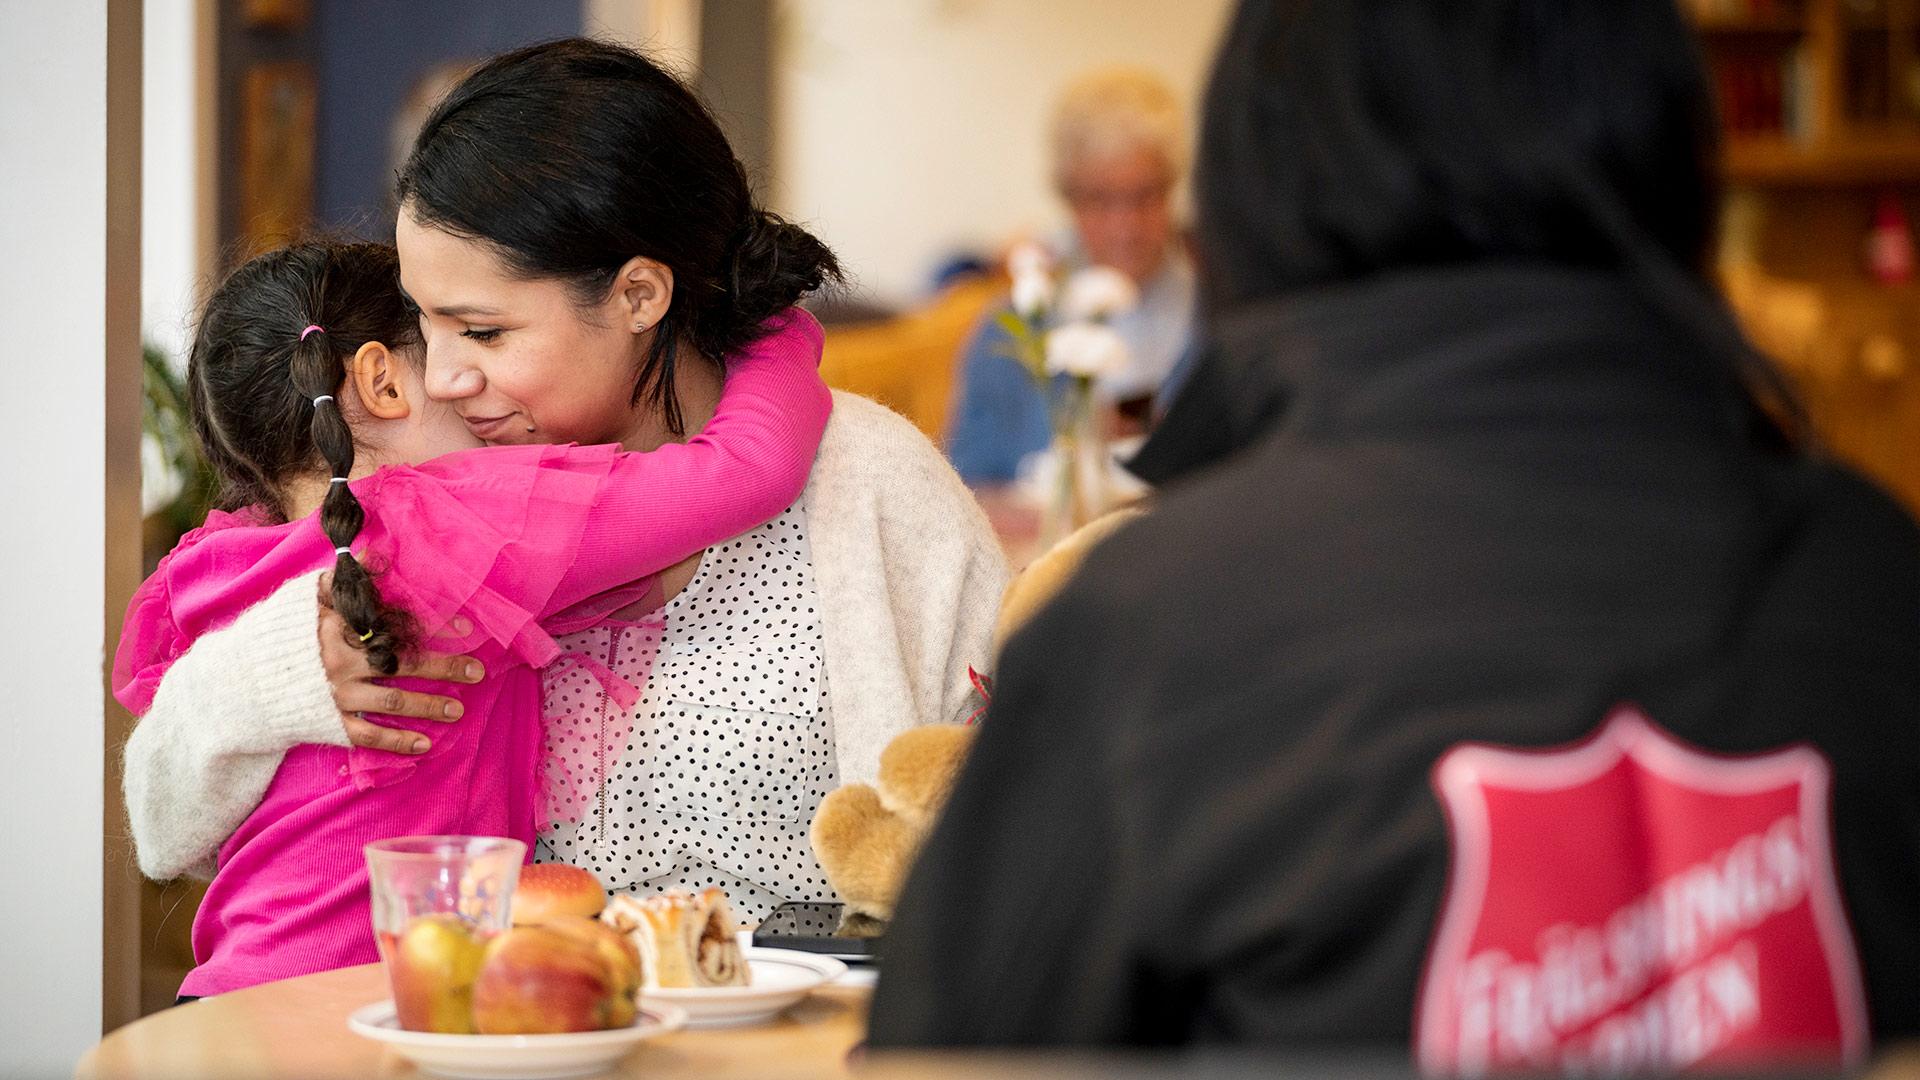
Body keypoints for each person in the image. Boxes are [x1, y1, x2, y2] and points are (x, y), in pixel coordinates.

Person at [869, 0, 1920, 1064]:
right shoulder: (1879, 575)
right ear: (1678, 151)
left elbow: (946, 1051)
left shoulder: (1149, 633)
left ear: (1252, 186)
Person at [121, 40, 1008, 941]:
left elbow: (1011, 836)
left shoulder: (869, 490)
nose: (445, 377)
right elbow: (165, 832)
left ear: (638, 296)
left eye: (483, 331)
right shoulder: (389, 485)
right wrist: (267, 675)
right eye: (423, 322)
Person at [115, 240, 830, 997]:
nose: (466, 381)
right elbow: (750, 467)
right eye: (447, 346)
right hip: (376, 1005)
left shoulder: (216, 569)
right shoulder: (456, 520)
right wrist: (765, 317)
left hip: (231, 993)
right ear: (383, 382)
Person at [944, 67, 1197, 487]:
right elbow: (963, 491)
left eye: (1145, 195)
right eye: (1100, 199)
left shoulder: (1217, 323)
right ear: (1068, 197)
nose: (1125, 226)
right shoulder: (1009, 335)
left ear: (1172, 188)